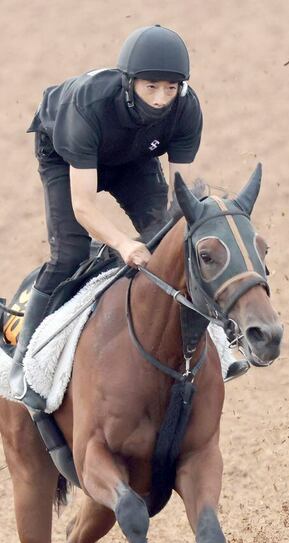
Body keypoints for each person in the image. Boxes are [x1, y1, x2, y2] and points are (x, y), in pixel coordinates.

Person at [10, 24, 246, 408]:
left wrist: (181, 230)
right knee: (68, 254)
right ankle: (26, 360)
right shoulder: (86, 107)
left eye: (171, 88)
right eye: (151, 87)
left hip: (133, 157)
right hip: (66, 154)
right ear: (129, 82)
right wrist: (122, 244)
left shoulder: (186, 109)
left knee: (171, 242)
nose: (161, 99)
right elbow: (83, 206)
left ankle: (221, 342)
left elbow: (181, 198)